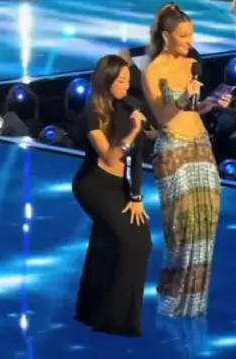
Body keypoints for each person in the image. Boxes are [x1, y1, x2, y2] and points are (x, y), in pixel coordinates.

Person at [143, 3, 231, 317]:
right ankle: (172, 302)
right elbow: (163, 116)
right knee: (182, 227)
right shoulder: (153, 70)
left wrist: (211, 103)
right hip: (173, 150)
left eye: (192, 34)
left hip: (201, 146)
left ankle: (196, 303)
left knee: (206, 220)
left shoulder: (192, 63)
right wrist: (183, 98)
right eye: (183, 36)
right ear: (166, 36)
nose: (190, 41)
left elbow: (192, 109)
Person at [73, 54, 152, 337]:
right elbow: (109, 156)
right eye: (120, 81)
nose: (125, 87)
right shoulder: (93, 113)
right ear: (105, 81)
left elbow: (137, 157)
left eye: (128, 81)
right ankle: (114, 318)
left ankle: (95, 311)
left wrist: (136, 196)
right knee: (130, 242)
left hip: (121, 186)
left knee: (132, 242)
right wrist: (132, 131)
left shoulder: (129, 106)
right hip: (94, 185)